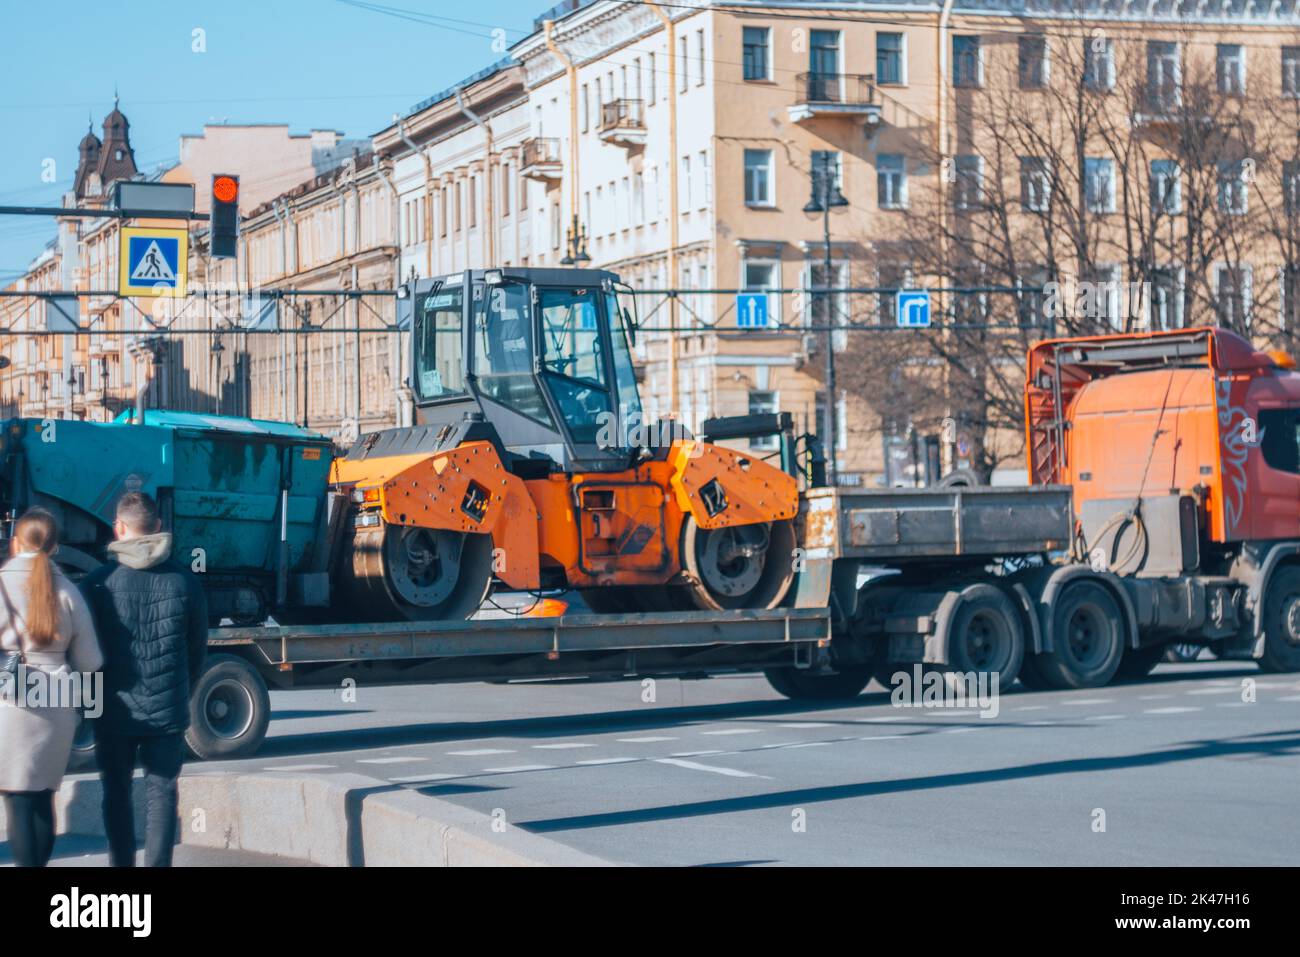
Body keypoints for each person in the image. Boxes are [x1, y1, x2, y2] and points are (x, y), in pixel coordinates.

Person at [80, 491, 207, 867]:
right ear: (157, 528)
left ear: (119, 528)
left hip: (113, 711)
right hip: (166, 709)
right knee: (162, 794)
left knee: (116, 792)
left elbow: (84, 650)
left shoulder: (98, 583)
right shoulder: (185, 582)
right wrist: (180, 689)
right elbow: (197, 649)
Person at [0, 508, 103, 867]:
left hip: (9, 704)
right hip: (57, 704)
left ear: (15, 543)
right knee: (44, 797)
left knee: (17, 799)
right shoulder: (69, 590)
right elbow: (90, 662)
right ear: (55, 547)